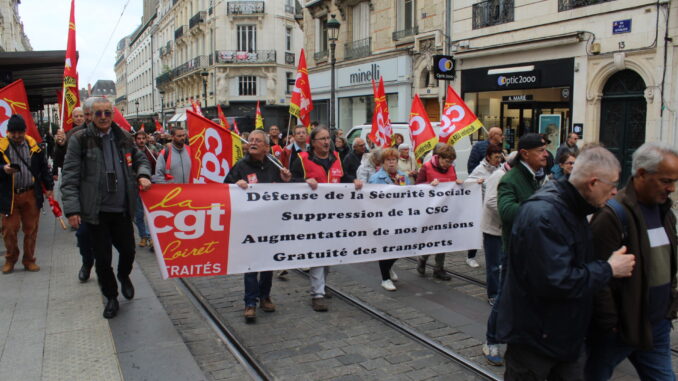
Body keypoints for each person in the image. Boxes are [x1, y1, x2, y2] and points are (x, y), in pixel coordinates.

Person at [496, 146, 636, 380]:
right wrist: (609, 268)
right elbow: (556, 280)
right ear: (592, 183)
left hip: (564, 334)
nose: (615, 192)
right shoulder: (544, 214)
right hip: (536, 338)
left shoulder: (573, 208)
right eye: (612, 184)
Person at [586, 142, 678, 380]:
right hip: (619, 328)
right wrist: (610, 323)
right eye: (666, 181)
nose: (672, 188)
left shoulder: (665, 211)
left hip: (656, 325)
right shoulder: (612, 215)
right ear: (642, 174)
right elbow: (596, 274)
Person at [61, 97, 152, 319]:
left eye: (107, 113)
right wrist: (72, 210)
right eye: (99, 113)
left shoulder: (123, 137)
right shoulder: (80, 139)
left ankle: (124, 276)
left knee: (129, 251)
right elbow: (70, 176)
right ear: (91, 115)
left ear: (112, 114)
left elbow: (142, 159)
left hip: (122, 209)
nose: (103, 117)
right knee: (102, 259)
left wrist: (142, 174)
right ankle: (111, 296)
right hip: (96, 211)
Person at [291, 127, 363, 312]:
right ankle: (317, 294)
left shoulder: (336, 158)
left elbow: (342, 178)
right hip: (311, 216)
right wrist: (303, 183)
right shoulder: (302, 159)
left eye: (327, 138)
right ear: (313, 142)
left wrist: (353, 180)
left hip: (334, 215)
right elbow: (289, 182)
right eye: (321, 139)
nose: (326, 142)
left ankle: (322, 286)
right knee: (317, 253)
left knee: (328, 253)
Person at [225, 130, 292, 322]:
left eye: (257, 141)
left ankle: (265, 297)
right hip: (248, 223)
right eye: (251, 140)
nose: (252, 143)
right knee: (251, 263)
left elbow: (286, 191)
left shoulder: (274, 165)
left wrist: (287, 181)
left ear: (266, 147)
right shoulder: (241, 165)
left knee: (267, 263)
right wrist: (235, 184)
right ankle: (250, 302)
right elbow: (225, 187)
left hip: (270, 223)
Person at [0, 115, 54, 274]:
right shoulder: (2, 147)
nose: (16, 136)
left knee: (31, 229)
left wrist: (49, 187)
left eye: (20, 132)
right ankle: (11, 258)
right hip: (10, 196)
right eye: (13, 132)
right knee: (9, 229)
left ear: (25, 131)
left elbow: (44, 168)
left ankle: (29, 260)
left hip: (30, 193)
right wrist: (3, 169)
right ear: (8, 131)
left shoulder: (34, 147)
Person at [480, 151, 517, 366]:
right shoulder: (498, 176)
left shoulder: (525, 177)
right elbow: (492, 202)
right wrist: (514, 210)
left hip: (509, 232)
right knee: (494, 267)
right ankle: (492, 293)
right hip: (495, 229)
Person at [415, 144, 463, 280]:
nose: (448, 165)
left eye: (451, 162)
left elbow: (453, 183)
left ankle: (439, 268)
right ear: (439, 157)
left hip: (446, 210)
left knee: (442, 239)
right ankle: (423, 259)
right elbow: (417, 187)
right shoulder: (427, 167)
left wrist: (458, 183)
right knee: (431, 238)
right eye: (446, 161)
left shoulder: (451, 168)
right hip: (430, 210)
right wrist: (428, 186)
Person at [368, 148, 412, 291]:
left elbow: (411, 194)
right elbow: (371, 199)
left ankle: (389, 267)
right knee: (386, 248)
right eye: (388, 160)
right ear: (382, 162)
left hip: (400, 217)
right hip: (384, 219)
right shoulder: (376, 178)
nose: (392, 163)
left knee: (401, 247)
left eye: (394, 160)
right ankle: (385, 278)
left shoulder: (403, 176)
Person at [497, 133, 549, 254]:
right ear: (525, 154)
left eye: (545, 150)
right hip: (519, 252)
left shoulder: (538, 176)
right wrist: (542, 206)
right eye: (541, 151)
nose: (546, 154)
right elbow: (506, 211)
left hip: (535, 248)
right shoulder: (510, 179)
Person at [465, 144, 503, 269]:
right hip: (480, 206)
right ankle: (471, 257)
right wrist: (476, 182)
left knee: (497, 233)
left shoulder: (501, 168)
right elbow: (467, 183)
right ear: (488, 157)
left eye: (500, 157)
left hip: (495, 206)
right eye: (496, 157)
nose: (498, 160)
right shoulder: (480, 169)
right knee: (477, 232)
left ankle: (499, 258)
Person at [133, 131, 156, 249]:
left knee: (150, 214)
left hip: (149, 186)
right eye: (139, 139)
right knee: (138, 214)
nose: (141, 141)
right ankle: (143, 236)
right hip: (136, 187)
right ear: (135, 140)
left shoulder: (151, 153)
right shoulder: (132, 153)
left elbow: (155, 168)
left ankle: (152, 238)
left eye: (143, 138)